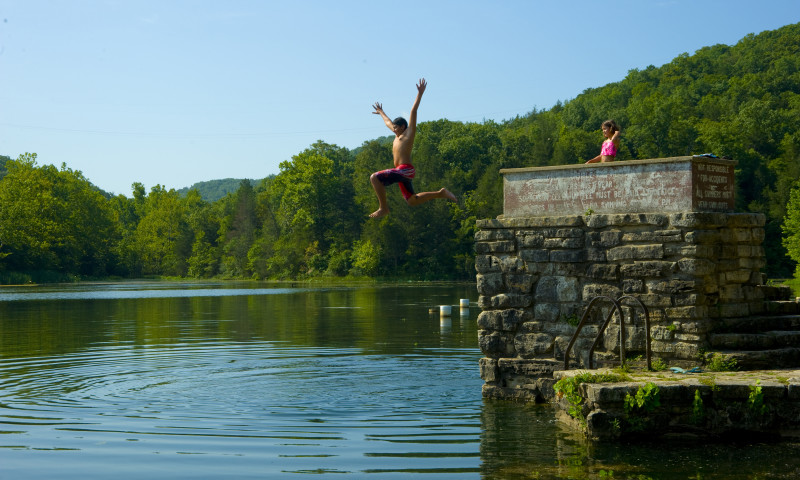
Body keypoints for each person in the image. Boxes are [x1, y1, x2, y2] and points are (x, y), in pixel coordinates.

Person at [369, 78, 456, 218]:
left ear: (403, 127)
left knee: (375, 177)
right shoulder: (397, 135)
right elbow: (387, 122)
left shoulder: (408, 134)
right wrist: (381, 112)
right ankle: (440, 193)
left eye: (396, 127)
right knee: (411, 201)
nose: (393, 129)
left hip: (405, 170)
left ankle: (383, 208)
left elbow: (413, 111)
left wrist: (419, 94)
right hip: (401, 173)